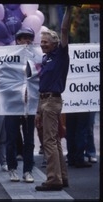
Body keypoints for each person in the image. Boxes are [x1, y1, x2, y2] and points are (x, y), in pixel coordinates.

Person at [35, 6, 72, 191]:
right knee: (54, 140)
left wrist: (70, 8)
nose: (42, 44)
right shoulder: (46, 58)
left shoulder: (60, 54)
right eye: (41, 42)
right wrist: (37, 110)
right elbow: (41, 85)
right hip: (44, 101)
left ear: (55, 43)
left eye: (46, 42)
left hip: (52, 101)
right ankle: (62, 177)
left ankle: (53, 180)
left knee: (49, 141)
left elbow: (64, 29)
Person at [3, 27, 36, 183]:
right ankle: (12, 169)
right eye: (23, 38)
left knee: (29, 140)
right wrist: (17, 92)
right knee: (11, 138)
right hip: (13, 105)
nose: (26, 41)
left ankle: (28, 170)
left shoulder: (36, 59)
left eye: (29, 38)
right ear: (17, 41)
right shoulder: (9, 58)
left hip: (30, 106)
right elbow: (2, 81)